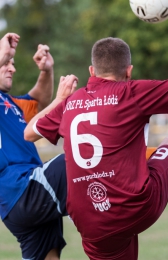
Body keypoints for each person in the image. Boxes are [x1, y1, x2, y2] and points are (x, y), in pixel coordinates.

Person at [24, 3, 168, 259]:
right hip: (135, 207)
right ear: (128, 72)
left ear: (91, 71)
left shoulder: (70, 103)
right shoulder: (130, 93)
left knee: (133, 155)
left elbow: (29, 132)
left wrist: (59, 99)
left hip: (89, 223)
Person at [0, 32, 68, 260]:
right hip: (22, 189)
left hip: (28, 195)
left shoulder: (10, 103)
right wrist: (4, 53)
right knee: (80, 159)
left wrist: (46, 70)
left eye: (12, 64)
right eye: (6, 65)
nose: (12, 68)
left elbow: (40, 100)